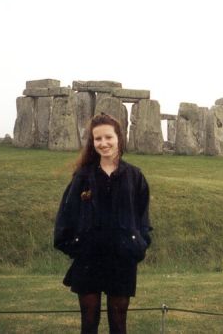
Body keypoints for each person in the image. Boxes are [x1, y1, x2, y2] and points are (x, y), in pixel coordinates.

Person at [53, 113, 152, 334]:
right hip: (89, 259)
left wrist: (138, 244)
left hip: (122, 259)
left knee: (118, 323)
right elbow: (66, 217)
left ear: (119, 138)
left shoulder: (135, 176)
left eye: (108, 137)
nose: (103, 143)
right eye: (98, 139)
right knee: (89, 322)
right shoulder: (82, 176)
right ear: (92, 142)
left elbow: (143, 218)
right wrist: (77, 246)